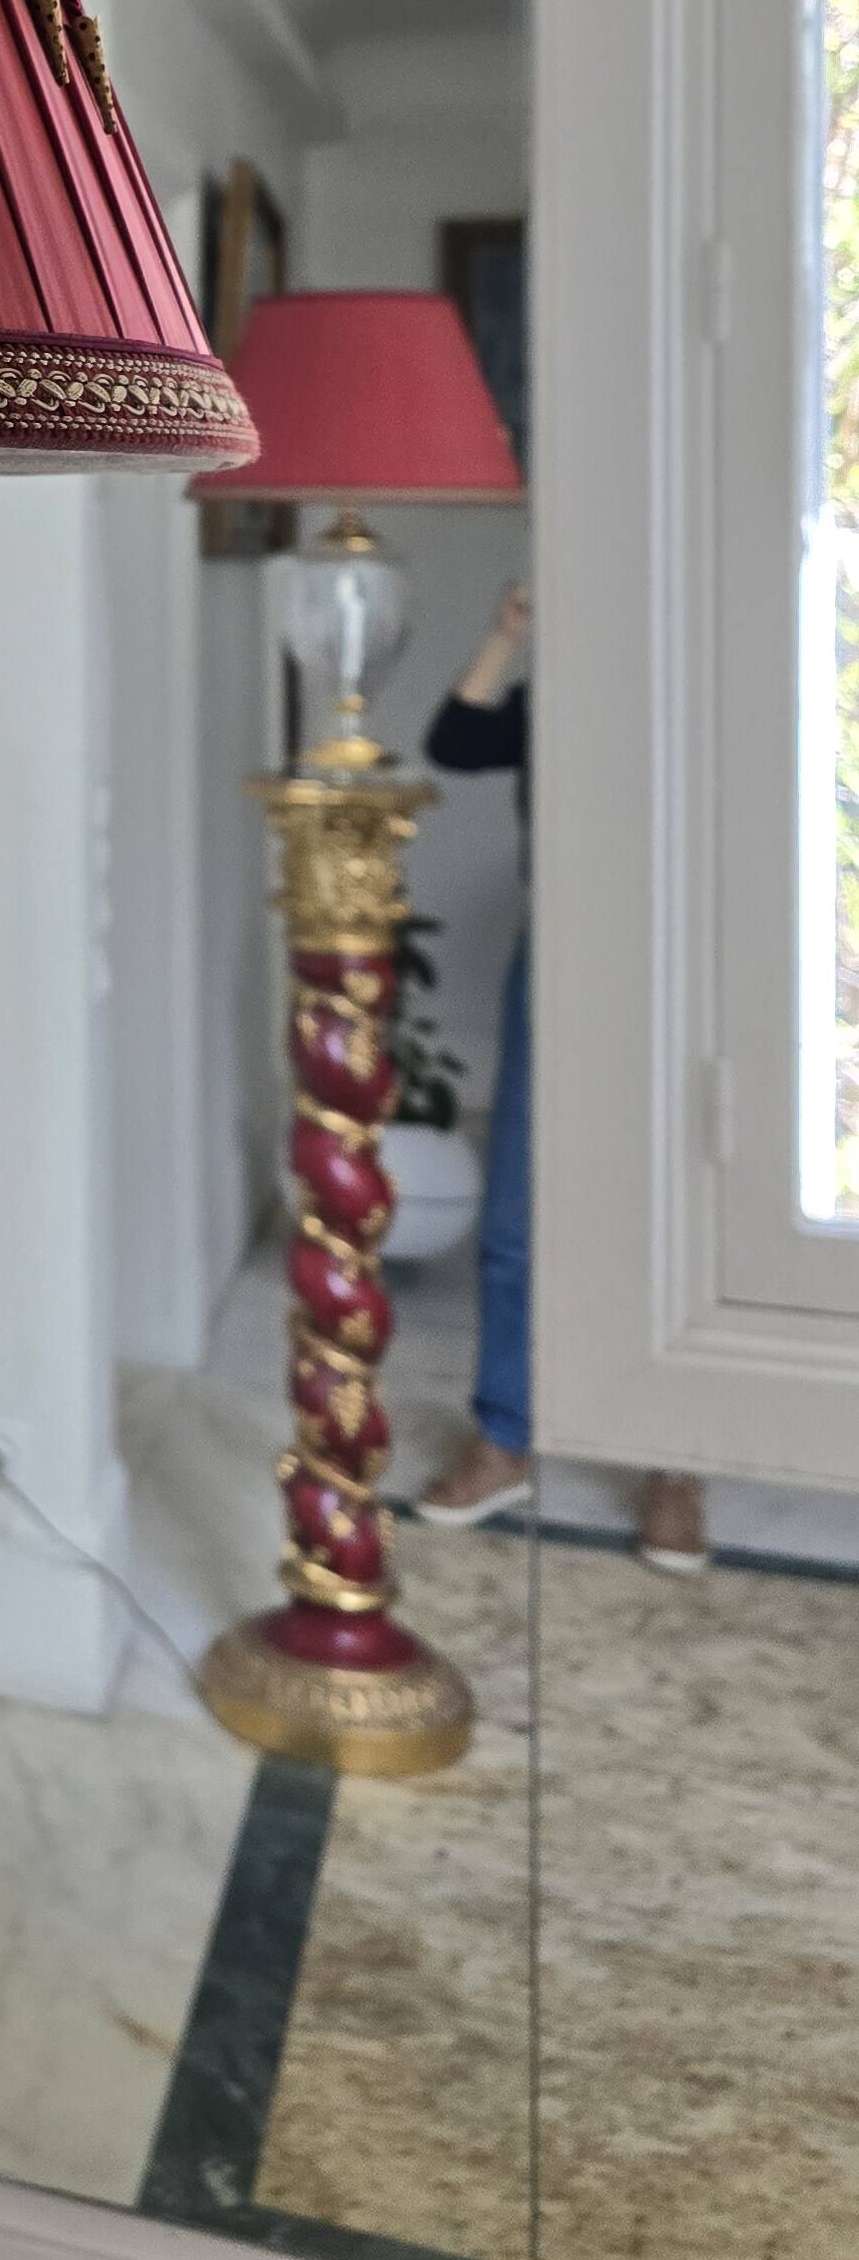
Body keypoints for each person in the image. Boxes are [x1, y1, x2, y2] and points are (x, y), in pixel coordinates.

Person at [413, 584, 712, 1574]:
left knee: (670, 1218)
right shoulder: (555, 697)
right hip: (557, 957)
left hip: (681, 970)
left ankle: (676, 1461)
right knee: (516, 1213)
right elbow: (453, 739)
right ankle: (503, 1438)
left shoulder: (700, 690)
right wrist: (510, 631)